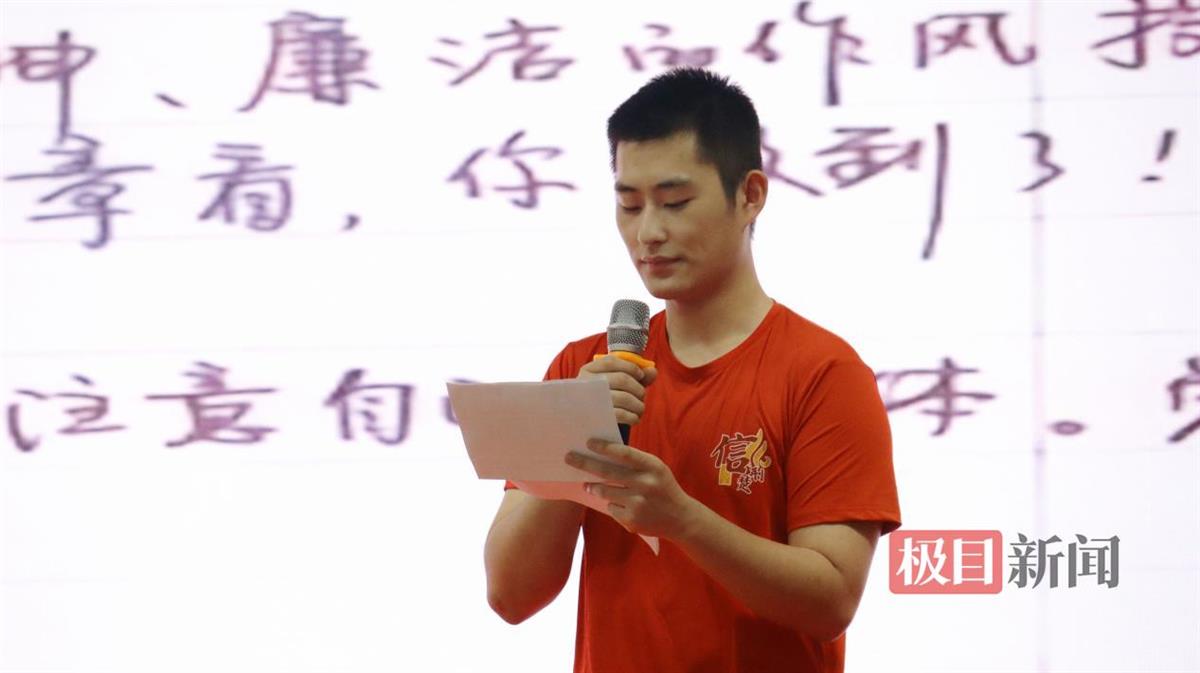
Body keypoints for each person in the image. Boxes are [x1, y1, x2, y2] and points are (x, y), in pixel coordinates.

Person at [483, 67, 902, 673]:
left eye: (675, 203)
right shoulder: (583, 369)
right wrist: (570, 434)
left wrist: (682, 520)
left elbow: (831, 599)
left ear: (750, 195)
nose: (648, 232)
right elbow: (510, 595)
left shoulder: (823, 373)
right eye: (629, 205)